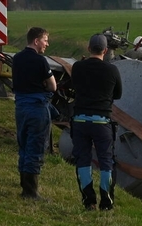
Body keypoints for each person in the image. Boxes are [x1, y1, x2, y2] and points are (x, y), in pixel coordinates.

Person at [70, 34, 123, 210]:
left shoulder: (78, 67)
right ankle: (106, 201)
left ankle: (89, 201)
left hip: (80, 120)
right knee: (106, 161)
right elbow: (118, 94)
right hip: (102, 122)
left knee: (83, 160)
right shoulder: (112, 70)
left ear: (88, 48)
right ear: (105, 51)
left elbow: (74, 86)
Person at [12, 26, 57, 200]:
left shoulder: (17, 58)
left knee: (23, 145)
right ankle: (31, 191)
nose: (47, 44)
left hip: (21, 107)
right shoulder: (41, 61)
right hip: (37, 108)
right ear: (36, 41)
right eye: (45, 40)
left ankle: (24, 185)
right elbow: (53, 86)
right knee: (36, 147)